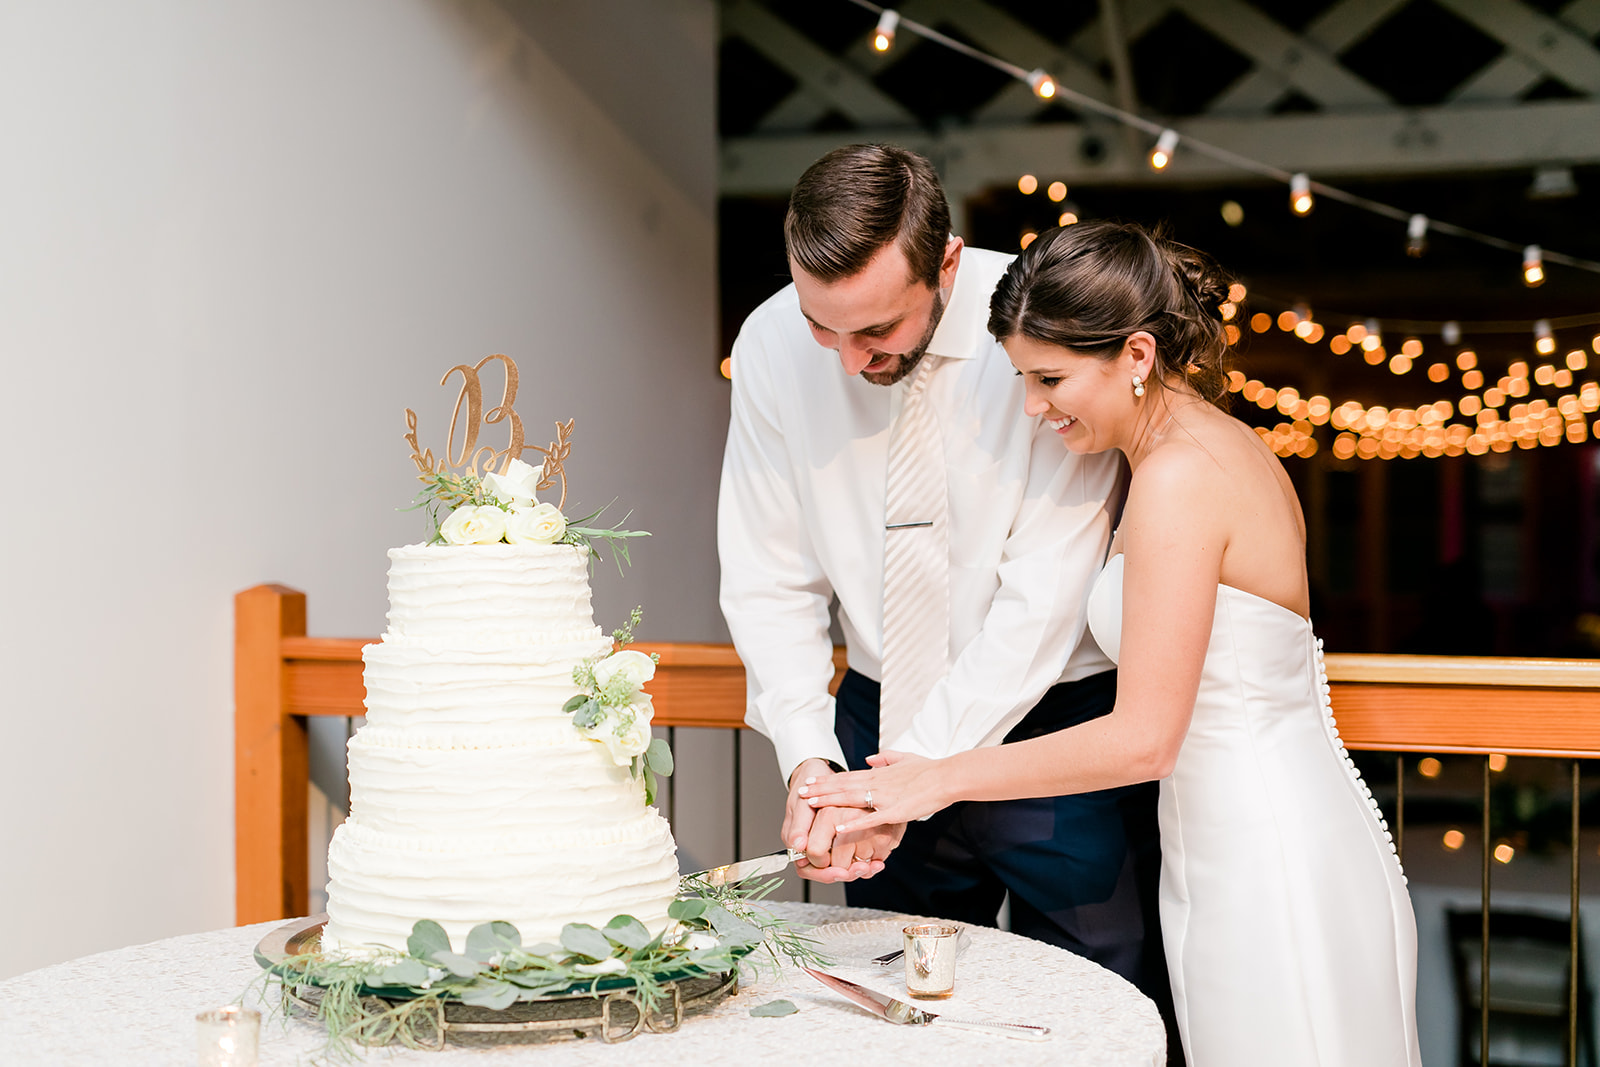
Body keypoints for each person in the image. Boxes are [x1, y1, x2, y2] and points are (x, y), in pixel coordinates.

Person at [799, 219, 1423, 1066]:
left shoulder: (1180, 476)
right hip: (1221, 842)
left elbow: (1143, 737)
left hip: (1266, 858)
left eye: (1050, 378)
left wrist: (934, 781)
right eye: (1021, 378)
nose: (1032, 408)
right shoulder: (1185, 453)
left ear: (1136, 354)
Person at [717, 144, 1181, 1052]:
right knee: (900, 1017)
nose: (848, 362)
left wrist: (918, 775)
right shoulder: (772, 343)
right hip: (874, 723)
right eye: (825, 327)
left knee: (1092, 1003)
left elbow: (1046, 593)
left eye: (877, 331)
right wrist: (814, 764)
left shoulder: (1042, 329)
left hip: (1051, 727)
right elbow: (768, 574)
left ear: (949, 264)